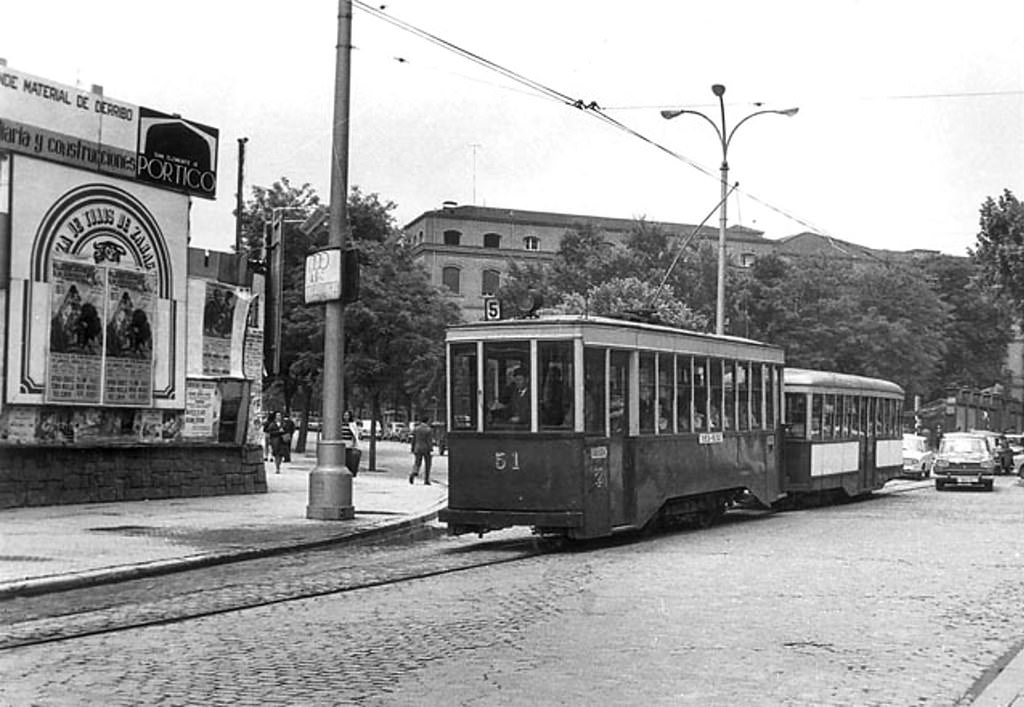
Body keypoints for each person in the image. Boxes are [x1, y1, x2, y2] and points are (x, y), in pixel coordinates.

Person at [409, 414, 434, 485]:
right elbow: (429, 441)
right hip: (426, 449)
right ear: (427, 421)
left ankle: (414, 472)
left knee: (417, 463)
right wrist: (431, 448)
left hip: (417, 448)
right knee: (428, 464)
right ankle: (426, 480)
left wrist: (412, 448)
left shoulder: (416, 429)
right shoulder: (428, 430)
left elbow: (413, 440)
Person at [342, 410, 361, 477]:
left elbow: (355, 434)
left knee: (349, 458)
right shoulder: (341, 424)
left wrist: (354, 443)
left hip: (349, 443)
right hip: (342, 443)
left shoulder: (352, 424)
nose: (346, 417)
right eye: (345, 415)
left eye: (347, 415)